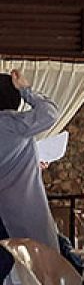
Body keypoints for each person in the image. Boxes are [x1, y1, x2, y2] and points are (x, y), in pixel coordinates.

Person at [0, 70, 61, 254]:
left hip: (4, 214)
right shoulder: (12, 124)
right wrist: (27, 90)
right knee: (42, 268)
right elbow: (50, 114)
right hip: (23, 212)